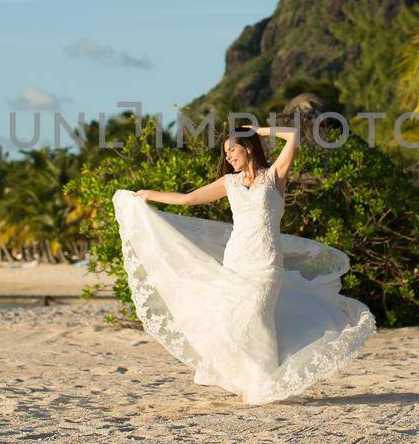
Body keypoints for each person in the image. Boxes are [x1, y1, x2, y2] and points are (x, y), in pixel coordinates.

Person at [112, 124, 375, 405]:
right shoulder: (229, 183)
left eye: (232, 149)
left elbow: (295, 137)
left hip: (266, 262)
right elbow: (188, 198)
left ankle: (264, 383)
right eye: (225, 152)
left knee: (257, 318)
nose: (228, 157)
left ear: (247, 148)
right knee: (234, 320)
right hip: (237, 259)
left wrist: (258, 131)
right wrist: (149, 195)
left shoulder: (274, 177)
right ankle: (251, 382)